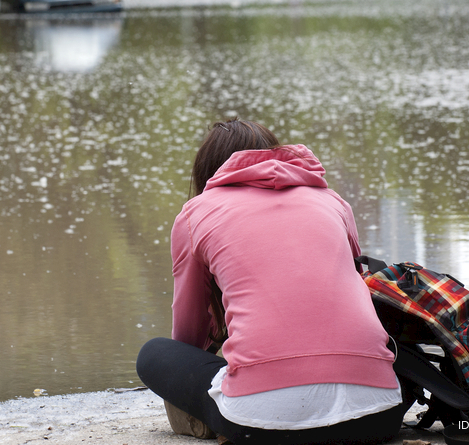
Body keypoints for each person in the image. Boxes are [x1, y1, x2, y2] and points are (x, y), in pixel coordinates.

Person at [137, 119, 406, 445]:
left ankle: (213, 418)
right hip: (380, 416)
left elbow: (189, 336)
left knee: (154, 354)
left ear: (207, 170)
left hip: (263, 426)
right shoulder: (334, 202)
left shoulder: (196, 214)